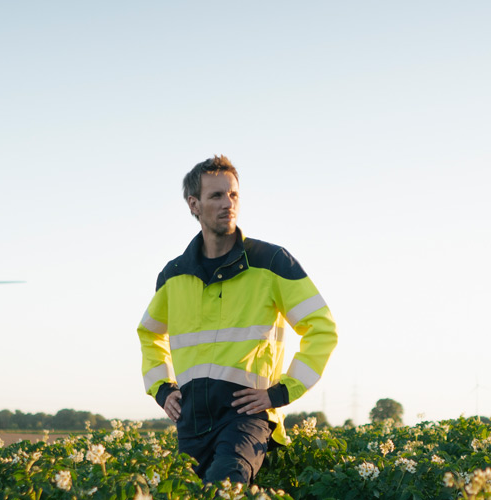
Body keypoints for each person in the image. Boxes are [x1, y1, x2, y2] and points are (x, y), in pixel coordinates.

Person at [135, 155, 339, 483]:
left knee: (225, 484)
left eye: (233, 195)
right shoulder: (173, 275)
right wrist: (162, 390)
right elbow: (149, 334)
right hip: (192, 422)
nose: (227, 203)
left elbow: (322, 327)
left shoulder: (271, 261)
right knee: (185, 491)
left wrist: (280, 393)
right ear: (194, 204)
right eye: (216, 195)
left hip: (247, 417)